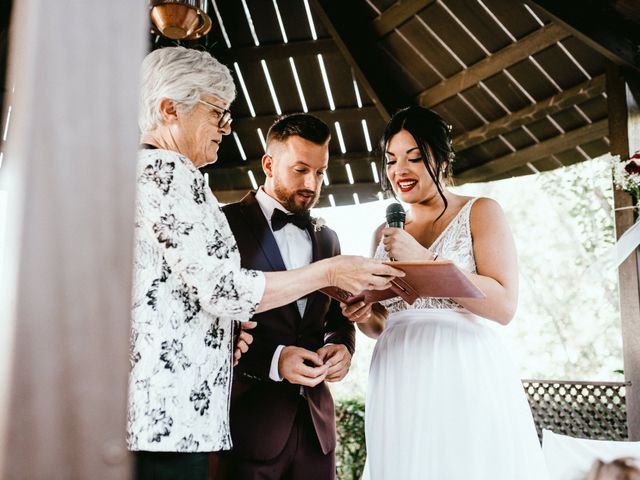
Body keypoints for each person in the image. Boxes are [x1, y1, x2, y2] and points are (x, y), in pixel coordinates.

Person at [127, 46, 402, 480]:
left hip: (192, 417)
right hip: (169, 414)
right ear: (169, 109)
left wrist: (226, 337)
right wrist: (328, 273)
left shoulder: (166, 175)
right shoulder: (164, 173)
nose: (226, 127)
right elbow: (223, 289)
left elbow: (177, 297)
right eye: (216, 112)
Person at [341, 106, 549, 479]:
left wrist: (427, 259)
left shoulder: (480, 211)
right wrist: (364, 316)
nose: (398, 171)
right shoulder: (382, 233)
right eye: (390, 161)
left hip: (458, 365)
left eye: (414, 158)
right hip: (396, 369)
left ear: (441, 159)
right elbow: (382, 322)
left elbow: (503, 305)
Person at [211, 114, 353, 480]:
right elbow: (209, 326)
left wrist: (342, 347)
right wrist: (274, 360)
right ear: (269, 164)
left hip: (316, 434)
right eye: (300, 169)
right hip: (245, 428)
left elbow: (337, 318)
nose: (311, 184)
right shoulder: (221, 226)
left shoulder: (328, 238)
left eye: (320, 173)